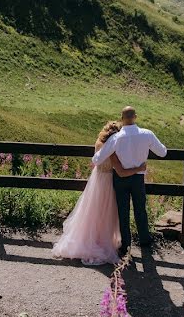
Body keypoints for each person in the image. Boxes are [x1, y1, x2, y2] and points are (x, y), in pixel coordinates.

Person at [52, 120, 146, 265]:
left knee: (92, 211)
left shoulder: (98, 143)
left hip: (96, 179)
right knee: (105, 213)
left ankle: (90, 238)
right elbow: (120, 171)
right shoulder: (112, 150)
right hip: (108, 182)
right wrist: (139, 168)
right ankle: (102, 241)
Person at [92, 106, 167, 255]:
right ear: (136, 117)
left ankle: (125, 244)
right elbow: (163, 152)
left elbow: (97, 159)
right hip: (138, 177)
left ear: (121, 118)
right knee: (140, 209)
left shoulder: (116, 138)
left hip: (120, 178)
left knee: (122, 210)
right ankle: (145, 241)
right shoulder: (147, 134)